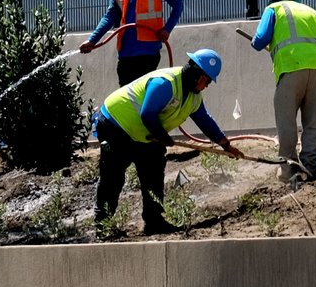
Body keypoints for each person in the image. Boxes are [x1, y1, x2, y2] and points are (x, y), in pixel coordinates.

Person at [93, 48, 239, 235]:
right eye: (207, 80)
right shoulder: (166, 83)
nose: (207, 85)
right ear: (197, 75)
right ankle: (103, 227)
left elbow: (204, 120)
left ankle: (154, 221)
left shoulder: (194, 97)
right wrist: (163, 137)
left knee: (153, 170)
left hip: (145, 132)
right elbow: (147, 113)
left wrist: (226, 145)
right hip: (116, 124)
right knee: (113, 176)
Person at [250, 0, 316, 181]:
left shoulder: (273, 9)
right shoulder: (312, 12)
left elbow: (260, 40)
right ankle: (311, 167)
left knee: (286, 120)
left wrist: (255, 42)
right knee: (313, 121)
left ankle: (290, 170)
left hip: (291, 68)